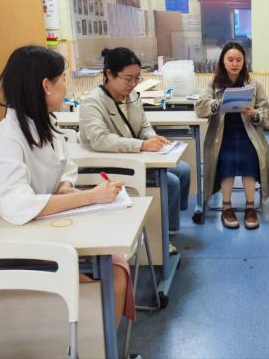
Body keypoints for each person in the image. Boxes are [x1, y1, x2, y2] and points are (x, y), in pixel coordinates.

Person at [0, 45, 135, 326]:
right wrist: (90, 197)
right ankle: (96, 339)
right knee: (114, 271)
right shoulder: (7, 136)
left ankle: (101, 339)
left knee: (116, 264)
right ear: (46, 86)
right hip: (20, 240)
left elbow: (65, 165)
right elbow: (17, 205)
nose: (66, 86)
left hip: (46, 227)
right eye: (63, 79)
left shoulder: (47, 125)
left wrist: (65, 185)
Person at [79, 47, 191, 245]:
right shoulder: (93, 102)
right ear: (109, 75)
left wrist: (154, 139)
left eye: (137, 78)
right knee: (171, 182)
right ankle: (162, 240)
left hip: (131, 156)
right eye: (127, 78)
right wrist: (143, 145)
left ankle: (169, 227)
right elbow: (100, 140)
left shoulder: (132, 97)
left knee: (183, 170)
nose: (133, 84)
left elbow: (143, 126)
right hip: (108, 165)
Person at [195, 42, 269, 229]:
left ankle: (250, 207)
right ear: (223, 61)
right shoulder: (213, 84)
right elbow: (200, 107)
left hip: (249, 135)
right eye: (230, 59)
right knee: (227, 160)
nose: (234, 64)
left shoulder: (254, 84)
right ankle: (227, 207)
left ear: (244, 62)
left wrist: (254, 113)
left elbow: (267, 115)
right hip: (222, 136)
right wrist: (219, 104)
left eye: (239, 60)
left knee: (250, 158)